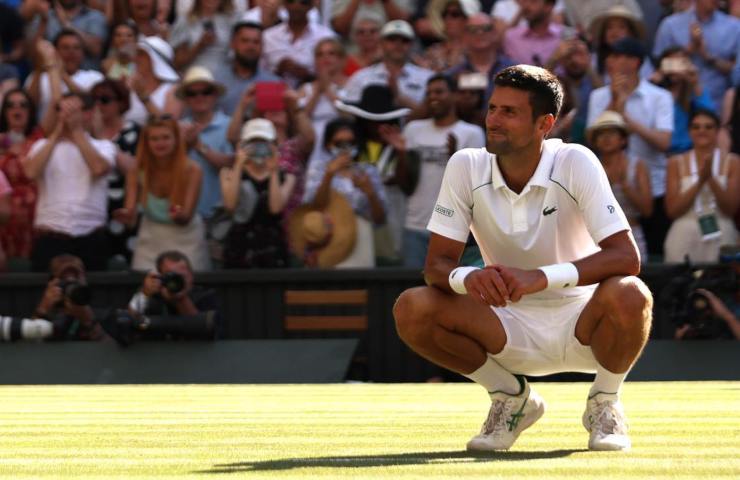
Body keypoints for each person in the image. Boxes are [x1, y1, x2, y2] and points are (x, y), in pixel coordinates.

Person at [393, 65, 652, 452]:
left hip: (585, 325)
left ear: (544, 123)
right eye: (493, 108)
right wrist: (469, 278)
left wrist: (540, 277)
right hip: (504, 322)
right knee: (412, 307)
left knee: (631, 292)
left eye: (509, 112)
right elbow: (436, 267)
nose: (494, 121)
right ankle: (510, 397)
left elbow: (626, 257)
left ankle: (605, 401)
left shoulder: (576, 161)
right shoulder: (465, 165)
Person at [587, 37, 674, 259]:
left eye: (616, 56)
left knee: (654, 258)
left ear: (634, 61)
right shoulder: (599, 96)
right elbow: (591, 138)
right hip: (608, 184)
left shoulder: (660, 96)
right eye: (610, 56)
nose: (610, 61)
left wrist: (624, 117)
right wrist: (614, 103)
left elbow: (664, 142)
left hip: (654, 187)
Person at [392, 74, 485, 268]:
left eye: (439, 92)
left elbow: (477, 185)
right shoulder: (413, 130)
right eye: (429, 93)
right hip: (414, 224)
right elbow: (404, 184)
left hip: (452, 227)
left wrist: (455, 156)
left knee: (448, 291)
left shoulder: (471, 133)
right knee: (412, 288)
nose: (433, 97)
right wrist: (401, 154)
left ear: (454, 95)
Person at [23, 92, 115, 272]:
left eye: (71, 110)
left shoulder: (103, 146)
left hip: (91, 238)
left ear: (87, 113)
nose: (65, 115)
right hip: (51, 237)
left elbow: (98, 168)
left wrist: (76, 132)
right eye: (61, 110)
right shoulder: (41, 146)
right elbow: (30, 172)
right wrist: (57, 133)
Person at [115, 115, 211, 272]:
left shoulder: (193, 170)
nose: (160, 143)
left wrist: (178, 215)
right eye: (154, 139)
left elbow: (185, 217)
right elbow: (131, 215)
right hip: (150, 238)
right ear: (146, 143)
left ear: (176, 139)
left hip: (186, 237)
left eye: (166, 137)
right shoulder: (135, 170)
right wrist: (126, 216)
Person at [301, 117, 389, 267]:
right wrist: (328, 176)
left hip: (360, 240)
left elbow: (380, 219)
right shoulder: (318, 170)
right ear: (328, 145)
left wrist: (370, 193)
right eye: (339, 143)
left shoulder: (368, 171)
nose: (345, 148)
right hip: (328, 238)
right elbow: (313, 208)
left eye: (350, 142)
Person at [663, 108, 739, 263]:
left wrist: (710, 178)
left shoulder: (733, 162)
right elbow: (672, 210)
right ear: (689, 131)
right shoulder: (675, 162)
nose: (702, 131)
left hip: (722, 231)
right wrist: (700, 182)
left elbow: (730, 208)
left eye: (708, 127)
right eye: (696, 127)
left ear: (717, 131)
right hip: (683, 233)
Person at [218, 118, 295, 269]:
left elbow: (275, 208)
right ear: (243, 145)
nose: (258, 148)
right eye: (253, 143)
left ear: (274, 145)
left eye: (264, 143)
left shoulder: (287, 177)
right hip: (239, 248)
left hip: (272, 249)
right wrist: (239, 165)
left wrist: (273, 171)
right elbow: (230, 205)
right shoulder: (228, 173)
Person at [587, 110, 652, 261]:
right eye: (601, 134)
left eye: (612, 133)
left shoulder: (637, 166)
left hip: (632, 233)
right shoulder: (589, 166)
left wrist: (626, 187)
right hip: (597, 238)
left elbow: (647, 210)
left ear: (623, 140)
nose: (606, 137)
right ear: (595, 141)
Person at [653, 0, 740, 111]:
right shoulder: (670, 25)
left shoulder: (734, 27)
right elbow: (659, 67)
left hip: (717, 105)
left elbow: (736, 74)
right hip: (676, 105)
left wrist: (707, 56)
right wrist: (690, 49)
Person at [89, 78, 140, 266]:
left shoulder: (134, 131)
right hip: (95, 208)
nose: (98, 105)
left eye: (105, 99)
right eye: (93, 99)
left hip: (122, 207)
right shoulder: (84, 135)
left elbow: (133, 170)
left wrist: (102, 138)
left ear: (121, 102)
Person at [176, 67, 233, 224]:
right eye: (192, 94)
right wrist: (185, 146)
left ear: (215, 95)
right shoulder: (177, 129)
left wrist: (198, 145)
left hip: (219, 216)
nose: (199, 97)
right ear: (186, 99)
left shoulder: (229, 125)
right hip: (186, 214)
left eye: (205, 91)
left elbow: (230, 166)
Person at [341, 20, 434, 112]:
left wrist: (398, 96)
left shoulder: (427, 78)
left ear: (411, 45)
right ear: (381, 43)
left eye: (405, 40)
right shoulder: (361, 77)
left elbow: (431, 113)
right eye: (392, 39)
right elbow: (348, 111)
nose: (398, 44)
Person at [128, 250, 220, 338]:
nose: (177, 281)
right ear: (161, 277)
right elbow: (129, 321)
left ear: (191, 276)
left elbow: (202, 329)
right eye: (171, 276)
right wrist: (144, 294)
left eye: (182, 276)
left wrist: (180, 299)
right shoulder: (153, 296)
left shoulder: (205, 296)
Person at [0, 88, 44, 267]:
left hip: (34, 216)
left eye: (23, 105)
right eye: (10, 105)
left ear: (30, 111)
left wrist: (51, 69)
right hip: (3, 217)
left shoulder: (39, 140)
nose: (17, 110)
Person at [261, 0, 336, 87]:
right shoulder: (268, 37)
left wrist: (306, 75)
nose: (296, 7)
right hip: (275, 95)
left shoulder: (326, 37)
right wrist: (279, 71)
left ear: (312, 6)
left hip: (315, 96)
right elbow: (259, 75)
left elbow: (334, 76)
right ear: (284, 4)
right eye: (291, 1)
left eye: (304, 2)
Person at [32, 254, 106, 341]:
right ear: (51, 283)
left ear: (85, 281)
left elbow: (110, 349)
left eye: (76, 277)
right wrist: (43, 309)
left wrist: (89, 321)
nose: (71, 282)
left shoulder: (103, 316)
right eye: (63, 278)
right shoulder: (45, 316)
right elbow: (28, 347)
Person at [214, 21, 281, 116]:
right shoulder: (216, 81)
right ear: (233, 44)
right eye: (245, 41)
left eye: (256, 42)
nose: (251, 46)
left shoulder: (272, 83)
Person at [170, 0, 235, 74]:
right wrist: (200, 45)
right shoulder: (186, 21)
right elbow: (176, 62)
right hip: (195, 77)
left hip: (223, 77)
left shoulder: (231, 21)